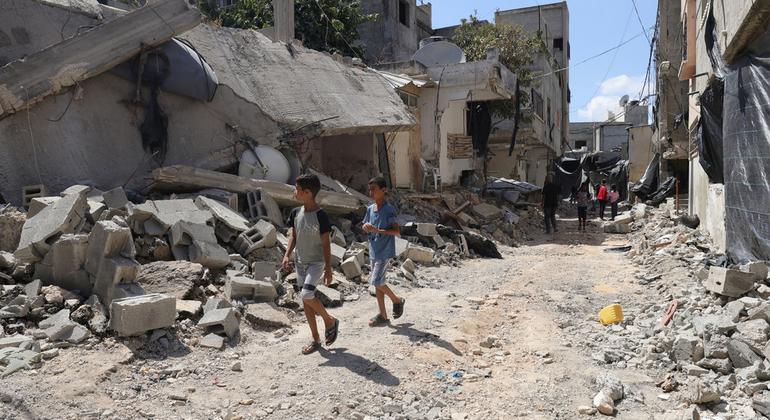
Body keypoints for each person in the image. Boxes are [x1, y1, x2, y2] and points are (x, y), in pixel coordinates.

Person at [282, 173, 339, 355]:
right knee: (306, 302)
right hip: (300, 262)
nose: (294, 191)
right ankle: (315, 339)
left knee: (306, 294)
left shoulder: (321, 216)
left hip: (316, 263)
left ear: (307, 193)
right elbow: (293, 235)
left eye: (297, 189)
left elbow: (326, 243)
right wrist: (287, 255)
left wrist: (328, 268)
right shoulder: (295, 213)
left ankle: (329, 321)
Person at [362, 176, 406, 327]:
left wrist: (377, 230)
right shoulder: (370, 209)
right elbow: (365, 224)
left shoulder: (389, 210)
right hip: (373, 249)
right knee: (378, 284)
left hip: (385, 251)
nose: (371, 192)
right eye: (370, 190)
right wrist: (366, 227)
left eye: (374, 189)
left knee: (375, 281)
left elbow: (396, 231)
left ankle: (397, 300)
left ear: (384, 190)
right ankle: (382, 315)